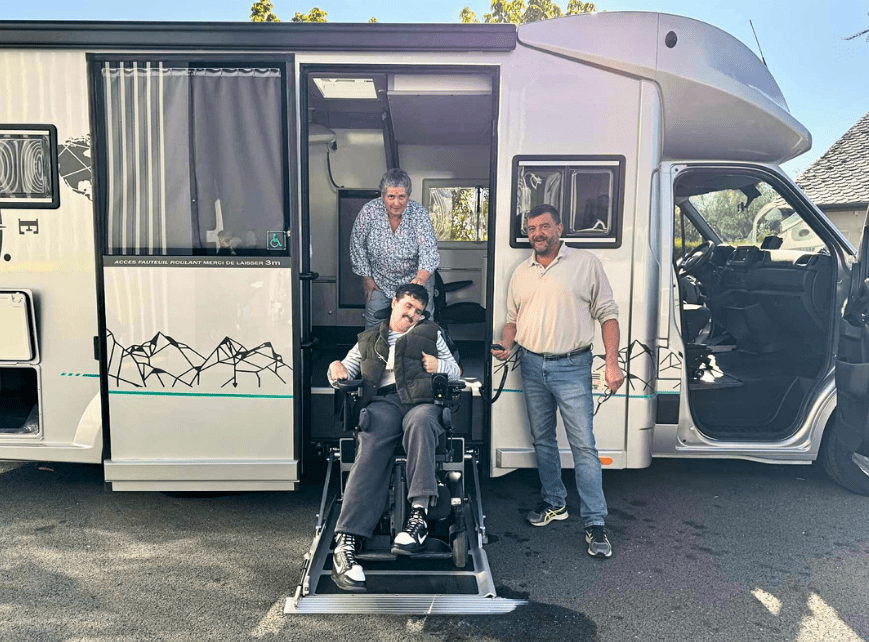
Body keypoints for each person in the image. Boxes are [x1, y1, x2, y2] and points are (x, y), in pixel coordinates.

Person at [492, 204, 624, 559]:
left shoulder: (585, 264)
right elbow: (513, 319)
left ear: (559, 229)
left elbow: (608, 315)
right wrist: (506, 344)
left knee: (583, 446)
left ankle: (595, 521)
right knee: (543, 440)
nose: (538, 233)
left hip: (573, 366)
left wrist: (612, 364)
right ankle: (555, 502)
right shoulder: (521, 272)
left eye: (544, 226)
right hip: (531, 365)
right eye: (532, 228)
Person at [326, 283, 461, 592]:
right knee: (373, 436)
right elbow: (345, 369)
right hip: (384, 402)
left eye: (418, 311)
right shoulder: (369, 339)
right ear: (394, 303)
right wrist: (335, 368)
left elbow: (456, 370)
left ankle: (418, 518)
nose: (412, 314)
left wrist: (439, 366)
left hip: (422, 402)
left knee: (420, 422)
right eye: (408, 306)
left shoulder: (432, 334)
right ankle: (346, 543)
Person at [350, 168, 440, 328]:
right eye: (391, 196)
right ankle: (376, 346)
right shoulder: (369, 212)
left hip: (415, 279)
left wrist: (419, 281)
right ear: (382, 195)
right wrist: (367, 277)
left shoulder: (419, 214)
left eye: (402, 197)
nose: (396, 203)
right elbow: (357, 244)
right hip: (380, 279)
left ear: (408, 196)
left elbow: (428, 250)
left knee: (420, 323)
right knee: (374, 322)